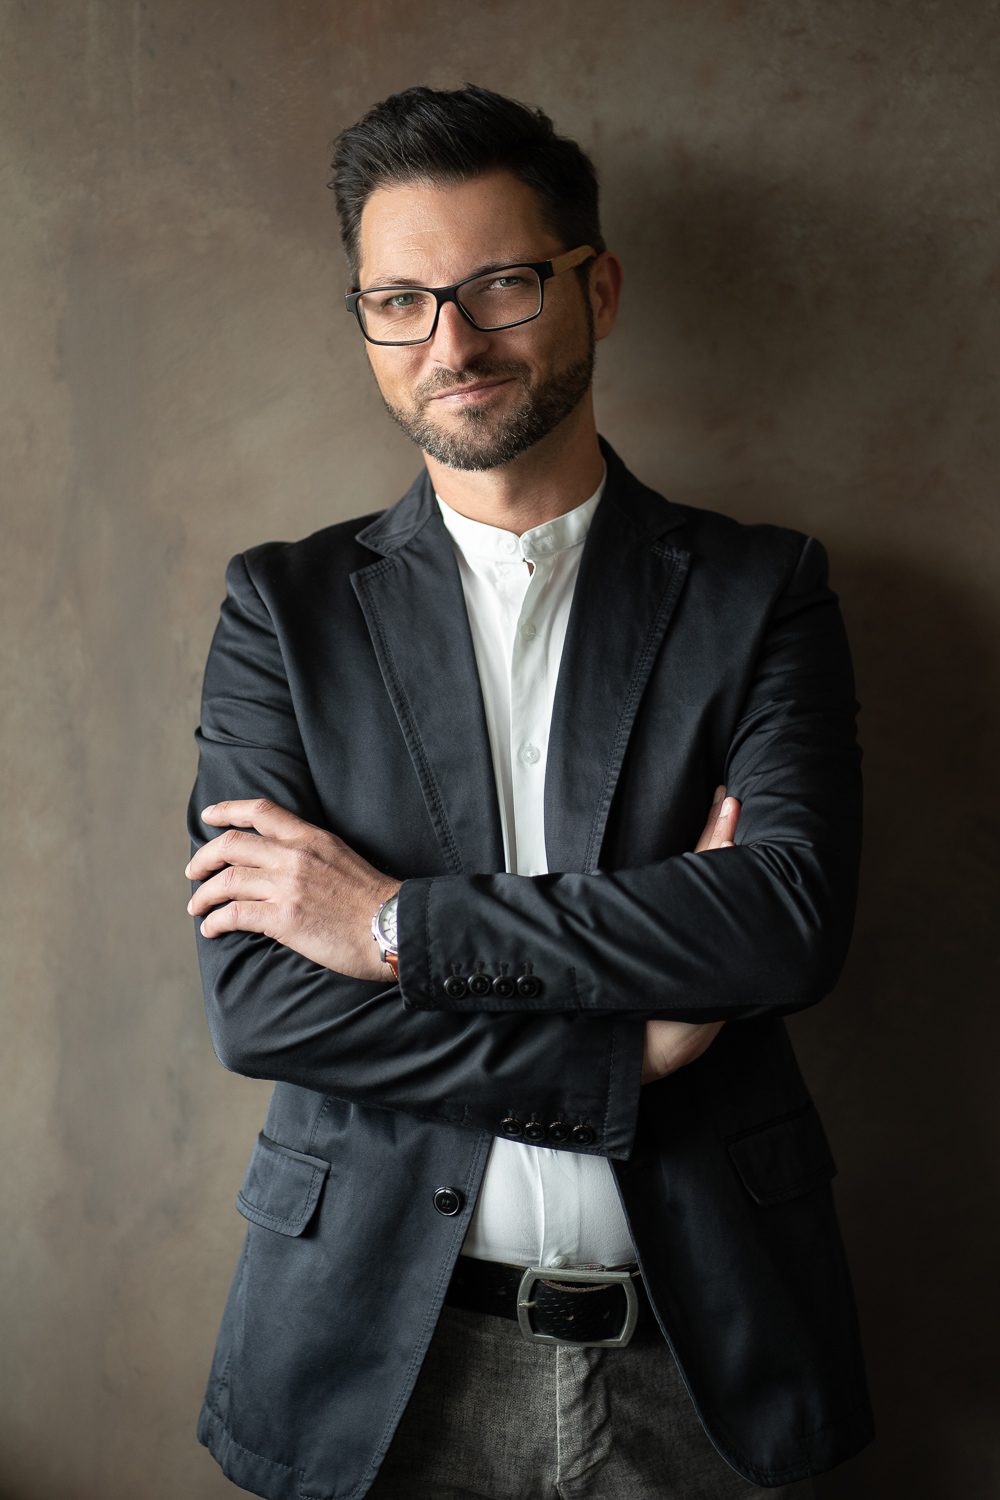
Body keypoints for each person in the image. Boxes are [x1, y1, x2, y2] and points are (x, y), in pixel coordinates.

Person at [185, 84, 873, 1500]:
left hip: (706, 1350)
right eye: (401, 301)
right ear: (367, 322)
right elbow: (261, 1005)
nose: (453, 344)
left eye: (500, 285)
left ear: (595, 288)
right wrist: (622, 1060)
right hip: (379, 1357)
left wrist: (395, 929)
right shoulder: (281, 612)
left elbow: (784, 922)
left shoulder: (760, 592)